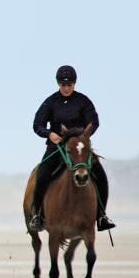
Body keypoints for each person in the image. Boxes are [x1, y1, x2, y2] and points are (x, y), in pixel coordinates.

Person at [29, 65, 115, 232]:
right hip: (57, 147)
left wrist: (82, 136)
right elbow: (37, 124)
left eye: (69, 85)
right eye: (63, 85)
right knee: (41, 176)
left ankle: (101, 216)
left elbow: (94, 122)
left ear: (75, 83)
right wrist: (49, 134)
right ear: (57, 84)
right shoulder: (50, 102)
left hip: (79, 149)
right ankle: (37, 215)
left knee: (102, 178)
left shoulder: (83, 101)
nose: (66, 88)